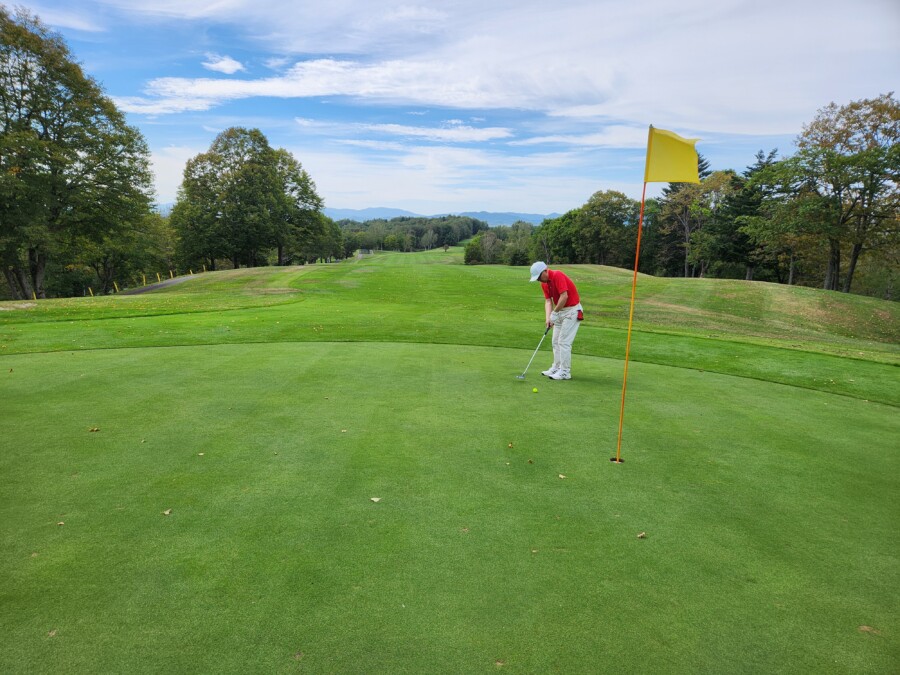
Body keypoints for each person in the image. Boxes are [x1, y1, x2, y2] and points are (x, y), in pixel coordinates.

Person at [529, 261, 583, 380]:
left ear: (545, 271)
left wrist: (554, 313)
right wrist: (549, 317)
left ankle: (565, 371)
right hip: (559, 311)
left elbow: (564, 296)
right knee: (555, 341)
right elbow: (548, 301)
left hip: (572, 311)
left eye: (539, 277)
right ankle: (557, 367)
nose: (539, 280)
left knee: (563, 342)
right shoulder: (544, 284)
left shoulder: (557, 275)